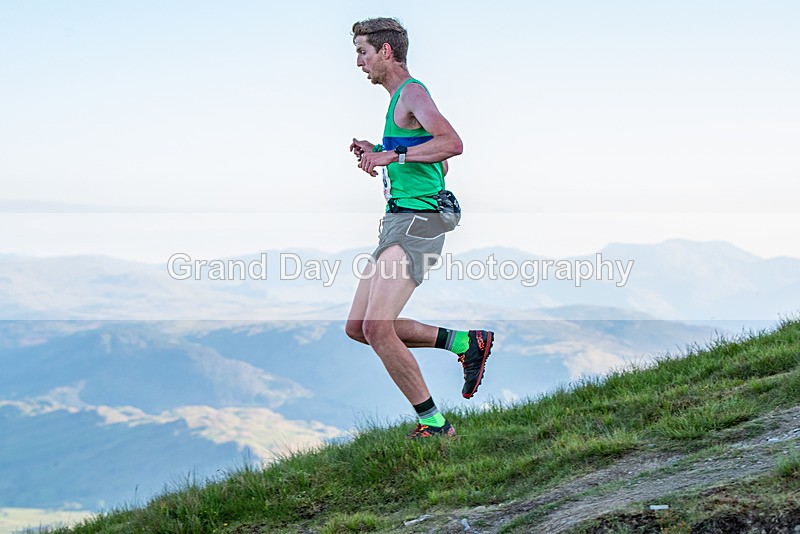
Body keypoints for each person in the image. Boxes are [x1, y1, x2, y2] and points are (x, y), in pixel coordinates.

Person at [345, 17, 494, 439]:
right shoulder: (397, 102)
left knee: (377, 327)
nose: (359, 62)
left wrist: (394, 159)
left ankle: (434, 424)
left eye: (363, 51)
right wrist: (379, 151)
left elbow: (452, 144)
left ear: (385, 52)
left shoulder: (411, 92)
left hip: (419, 221)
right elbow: (437, 161)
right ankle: (466, 343)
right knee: (358, 327)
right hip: (397, 221)